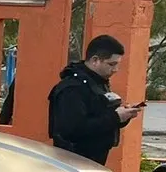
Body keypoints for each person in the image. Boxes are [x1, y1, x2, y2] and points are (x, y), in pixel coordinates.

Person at [47, 35, 144, 165]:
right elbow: (73, 129)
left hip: (96, 158)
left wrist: (123, 115)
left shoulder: (98, 83)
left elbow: (100, 114)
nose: (115, 70)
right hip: (75, 161)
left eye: (117, 65)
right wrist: (115, 117)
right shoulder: (72, 88)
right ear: (95, 60)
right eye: (111, 64)